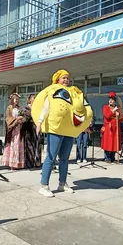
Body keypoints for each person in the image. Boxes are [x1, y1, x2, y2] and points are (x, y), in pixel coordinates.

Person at [32, 69, 93, 198]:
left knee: (65, 158)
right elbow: (45, 108)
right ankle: (44, 185)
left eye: (67, 78)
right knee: (51, 157)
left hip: (69, 130)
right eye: (63, 78)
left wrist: (85, 125)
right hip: (56, 129)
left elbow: (80, 109)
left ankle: (62, 182)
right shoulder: (52, 90)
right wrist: (39, 122)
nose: (66, 80)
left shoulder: (73, 91)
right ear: (57, 79)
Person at [2, 93, 25, 170]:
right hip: (13, 130)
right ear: (12, 100)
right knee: (12, 145)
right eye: (16, 99)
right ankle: (11, 163)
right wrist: (16, 120)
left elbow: (24, 117)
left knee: (18, 145)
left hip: (19, 129)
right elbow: (8, 118)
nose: (17, 101)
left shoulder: (20, 108)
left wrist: (22, 119)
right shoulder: (9, 108)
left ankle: (18, 163)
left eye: (18, 99)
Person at [101, 92, 123, 164]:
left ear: (115, 101)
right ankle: (107, 157)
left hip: (116, 128)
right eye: (110, 99)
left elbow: (122, 119)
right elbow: (107, 116)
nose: (110, 101)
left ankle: (112, 157)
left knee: (114, 143)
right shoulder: (105, 107)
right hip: (108, 128)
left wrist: (119, 114)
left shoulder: (118, 108)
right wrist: (113, 111)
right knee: (108, 143)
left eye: (112, 100)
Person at [22, 94, 42, 169]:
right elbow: (25, 118)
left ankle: (37, 162)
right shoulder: (26, 108)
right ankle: (29, 163)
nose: (35, 99)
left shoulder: (38, 107)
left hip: (37, 127)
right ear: (29, 99)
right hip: (29, 128)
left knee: (38, 144)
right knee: (30, 145)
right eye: (34, 98)